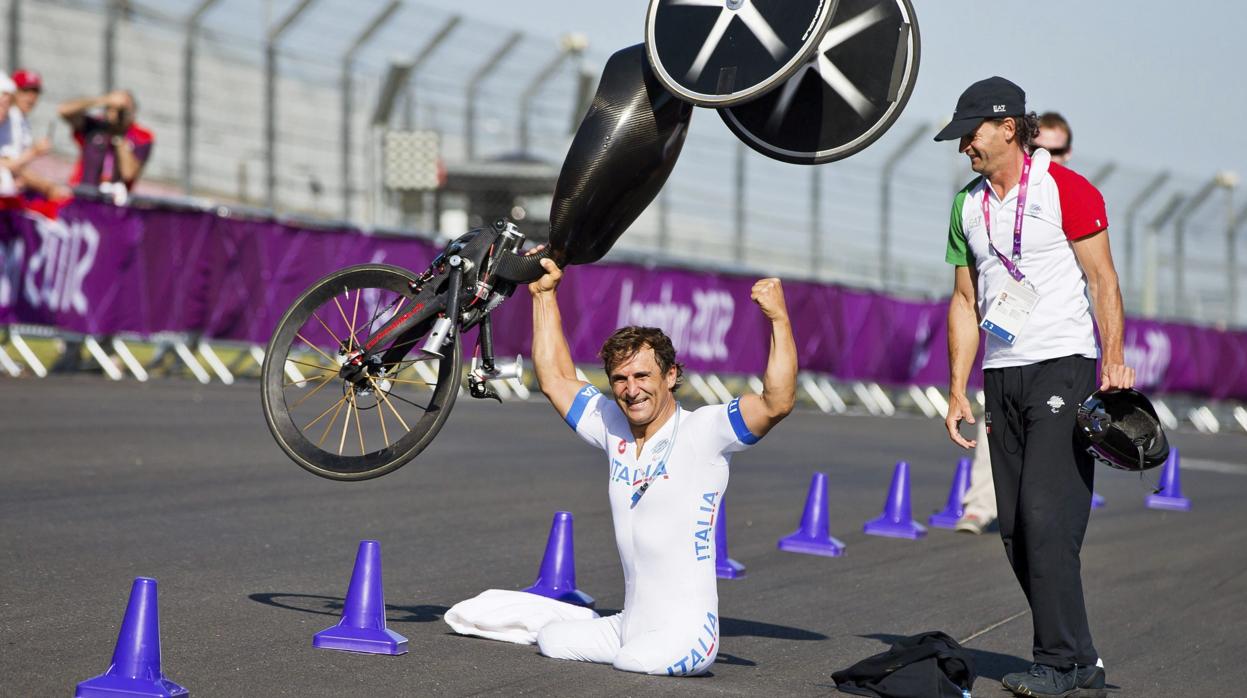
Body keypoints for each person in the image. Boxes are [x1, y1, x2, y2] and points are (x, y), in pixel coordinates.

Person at [936, 76, 1131, 698]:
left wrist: (1114, 361)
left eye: (973, 131)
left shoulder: (1066, 189)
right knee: (1019, 528)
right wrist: (957, 387)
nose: (964, 144)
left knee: (1049, 518)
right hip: (1002, 374)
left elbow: (1102, 280)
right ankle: (1083, 662)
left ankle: (1055, 661)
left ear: (1009, 129)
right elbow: (966, 300)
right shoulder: (966, 206)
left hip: (1063, 365)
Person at [527, 256, 797, 676]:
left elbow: (776, 403)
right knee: (551, 639)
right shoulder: (613, 426)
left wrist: (778, 319)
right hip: (629, 626)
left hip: (690, 633)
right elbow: (555, 380)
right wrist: (544, 296)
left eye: (642, 376)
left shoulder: (703, 431)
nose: (631, 390)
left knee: (632, 662)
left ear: (670, 375)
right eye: (619, 379)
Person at [955, 110, 1076, 535]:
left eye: (1056, 150)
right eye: (1041, 147)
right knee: (997, 438)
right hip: (1005, 347)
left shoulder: (1064, 197)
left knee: (1049, 450)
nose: (1048, 155)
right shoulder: (983, 202)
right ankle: (980, 504)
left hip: (1057, 349)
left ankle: (1042, 511)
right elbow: (968, 290)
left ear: (1068, 152)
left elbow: (1097, 282)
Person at [58, 89, 154, 196]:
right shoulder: (96, 125)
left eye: (122, 110)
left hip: (115, 200)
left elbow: (128, 174)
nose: (116, 114)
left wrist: (119, 135)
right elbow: (64, 110)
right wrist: (105, 100)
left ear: (133, 111)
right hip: (83, 192)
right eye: (112, 109)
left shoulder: (141, 136)